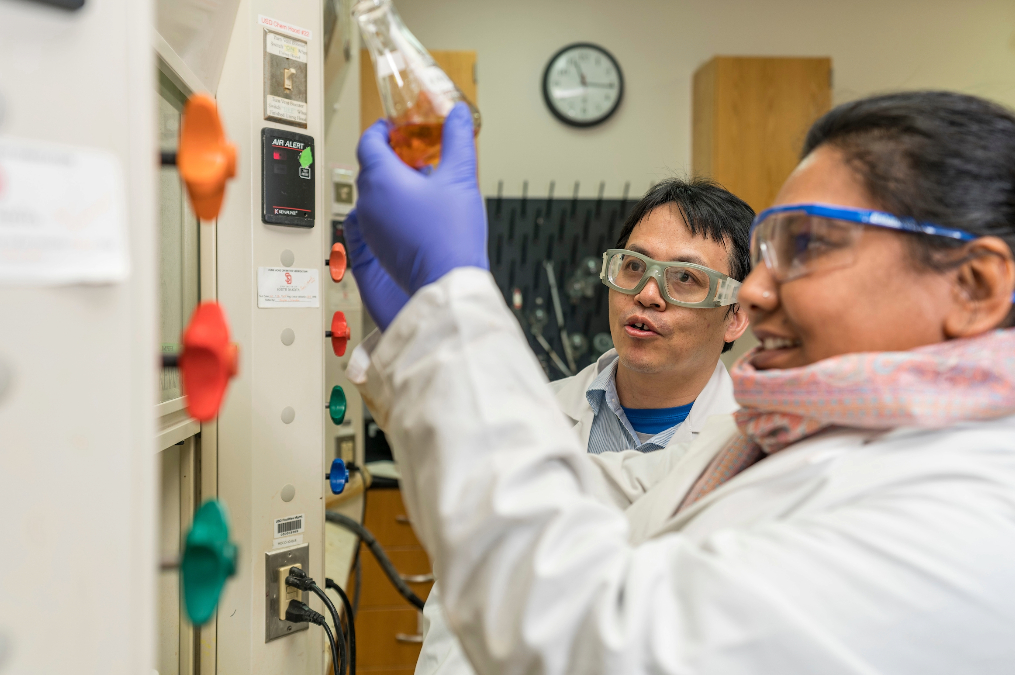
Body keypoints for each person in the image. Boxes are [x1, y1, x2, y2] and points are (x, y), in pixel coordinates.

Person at [345, 91, 1015, 674]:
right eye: (769, 251)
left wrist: (450, 307)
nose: (752, 294)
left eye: (807, 247)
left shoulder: (970, 522)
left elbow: (588, 636)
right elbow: (560, 571)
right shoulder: (786, 442)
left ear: (972, 284)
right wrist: (424, 327)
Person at [413, 178, 753, 675]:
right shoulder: (531, 420)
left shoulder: (757, 447)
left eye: (685, 278)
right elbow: (461, 609)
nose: (648, 294)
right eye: (634, 267)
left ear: (735, 317)